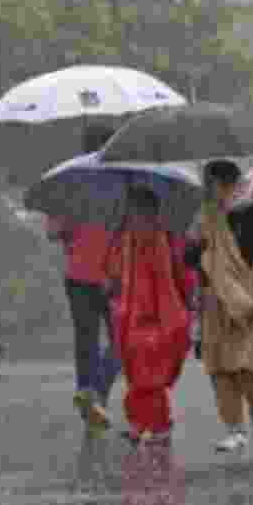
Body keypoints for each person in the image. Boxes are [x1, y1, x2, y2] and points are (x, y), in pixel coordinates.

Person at [188, 160, 253, 454]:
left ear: (228, 183)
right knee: (219, 366)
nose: (211, 190)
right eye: (209, 184)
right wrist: (197, 245)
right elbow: (190, 258)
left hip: (252, 297)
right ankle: (234, 429)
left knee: (247, 362)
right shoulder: (205, 217)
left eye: (214, 183)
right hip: (215, 297)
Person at [103, 186, 196, 444]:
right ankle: (140, 423)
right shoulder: (125, 240)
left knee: (150, 374)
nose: (134, 218)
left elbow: (175, 277)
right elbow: (114, 273)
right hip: (130, 316)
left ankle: (160, 425)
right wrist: (112, 283)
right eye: (131, 212)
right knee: (135, 372)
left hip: (158, 316)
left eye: (139, 212)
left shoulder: (163, 239)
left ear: (151, 212)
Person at [48, 124, 122, 434]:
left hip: (77, 273)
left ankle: (86, 391)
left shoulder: (68, 181)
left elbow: (53, 232)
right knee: (123, 338)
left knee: (85, 337)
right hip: (116, 274)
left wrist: (70, 229)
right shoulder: (124, 180)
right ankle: (99, 390)